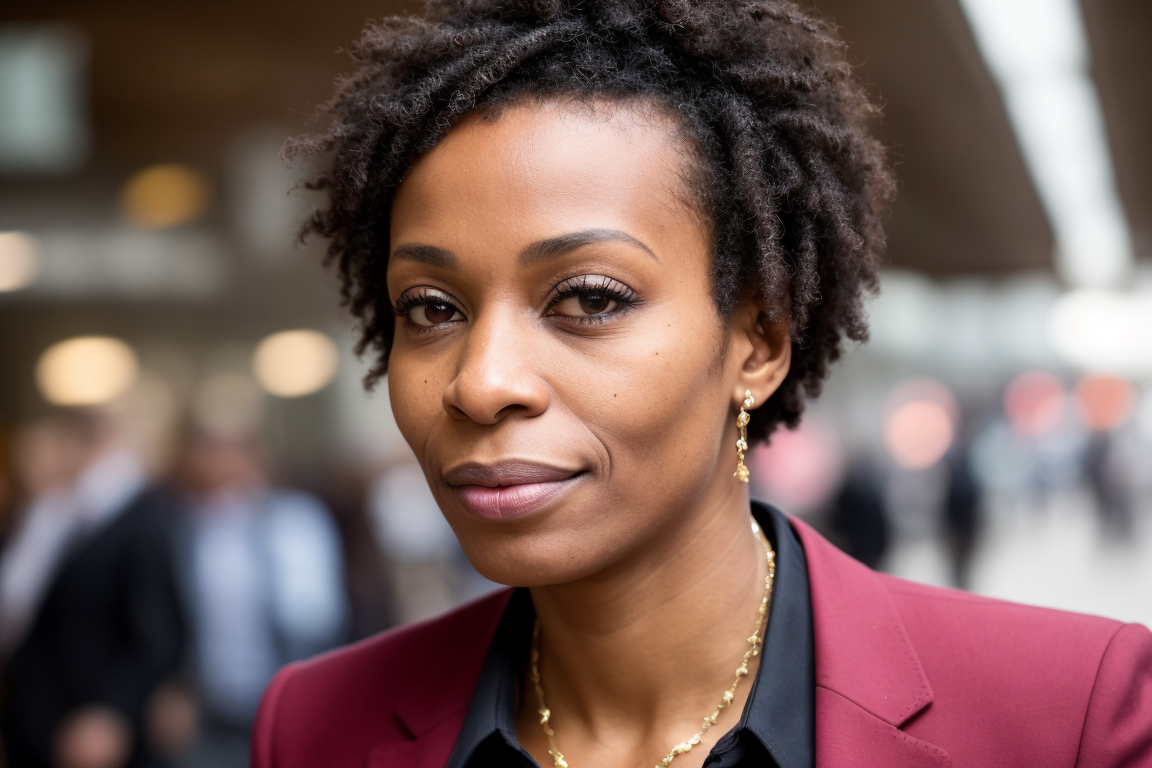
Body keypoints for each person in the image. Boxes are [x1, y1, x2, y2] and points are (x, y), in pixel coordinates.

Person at [253, 2, 1152, 766]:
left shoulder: (1069, 714)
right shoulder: (314, 726)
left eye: (589, 299)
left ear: (758, 344)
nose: (482, 384)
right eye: (432, 308)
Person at [0, 415, 184, 768]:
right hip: (34, 719)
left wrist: (111, 712)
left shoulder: (138, 521)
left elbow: (156, 634)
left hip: (89, 725)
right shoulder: (46, 518)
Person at [170, 430, 347, 768]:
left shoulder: (296, 519)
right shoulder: (190, 527)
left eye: (225, 453)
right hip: (212, 705)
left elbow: (318, 615)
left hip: (290, 692)